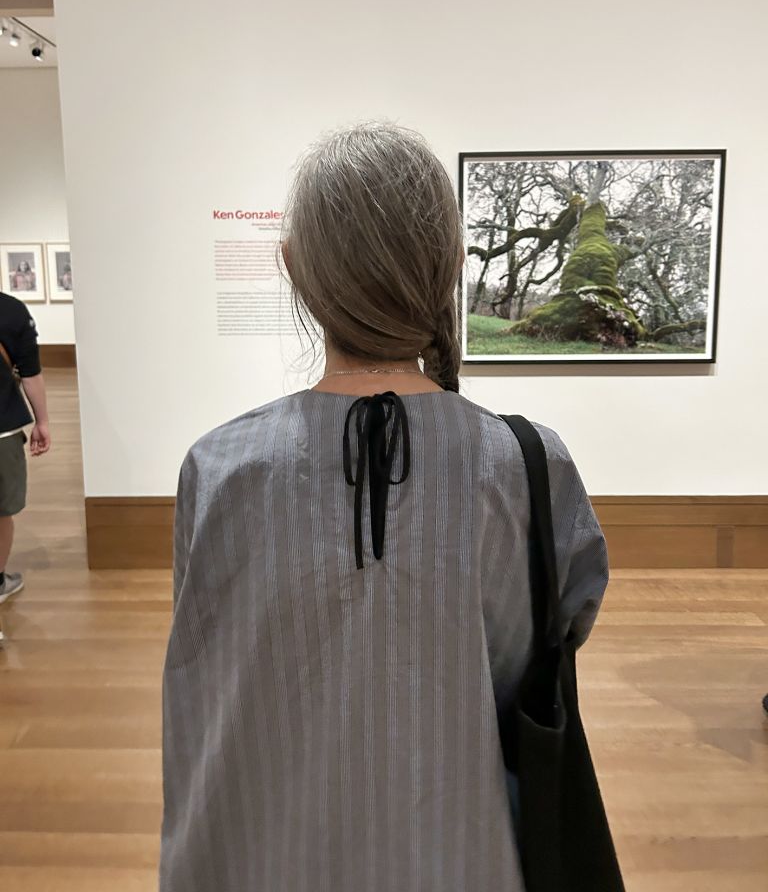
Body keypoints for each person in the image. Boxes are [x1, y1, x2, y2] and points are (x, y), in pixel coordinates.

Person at [160, 123, 609, 892]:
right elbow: (560, 630)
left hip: (256, 855)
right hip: (465, 855)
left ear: (293, 266)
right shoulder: (532, 463)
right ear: (454, 267)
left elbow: (208, 668)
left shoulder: (219, 466)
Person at [0, 292, 51, 609]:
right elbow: (30, 374)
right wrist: (42, 422)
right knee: (1, 511)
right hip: (2, 429)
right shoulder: (10, 310)